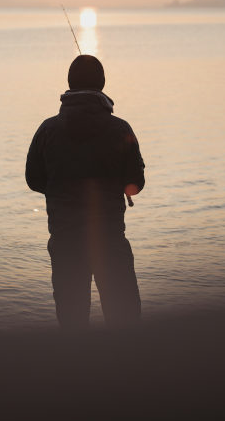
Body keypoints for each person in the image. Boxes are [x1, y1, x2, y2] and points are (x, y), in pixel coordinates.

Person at [26, 54, 145, 331]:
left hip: (65, 240)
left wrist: (60, 188)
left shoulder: (48, 129)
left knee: (72, 325)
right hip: (109, 240)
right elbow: (136, 184)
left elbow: (33, 179)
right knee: (124, 323)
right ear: (102, 84)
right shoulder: (120, 129)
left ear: (69, 84)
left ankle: (77, 372)